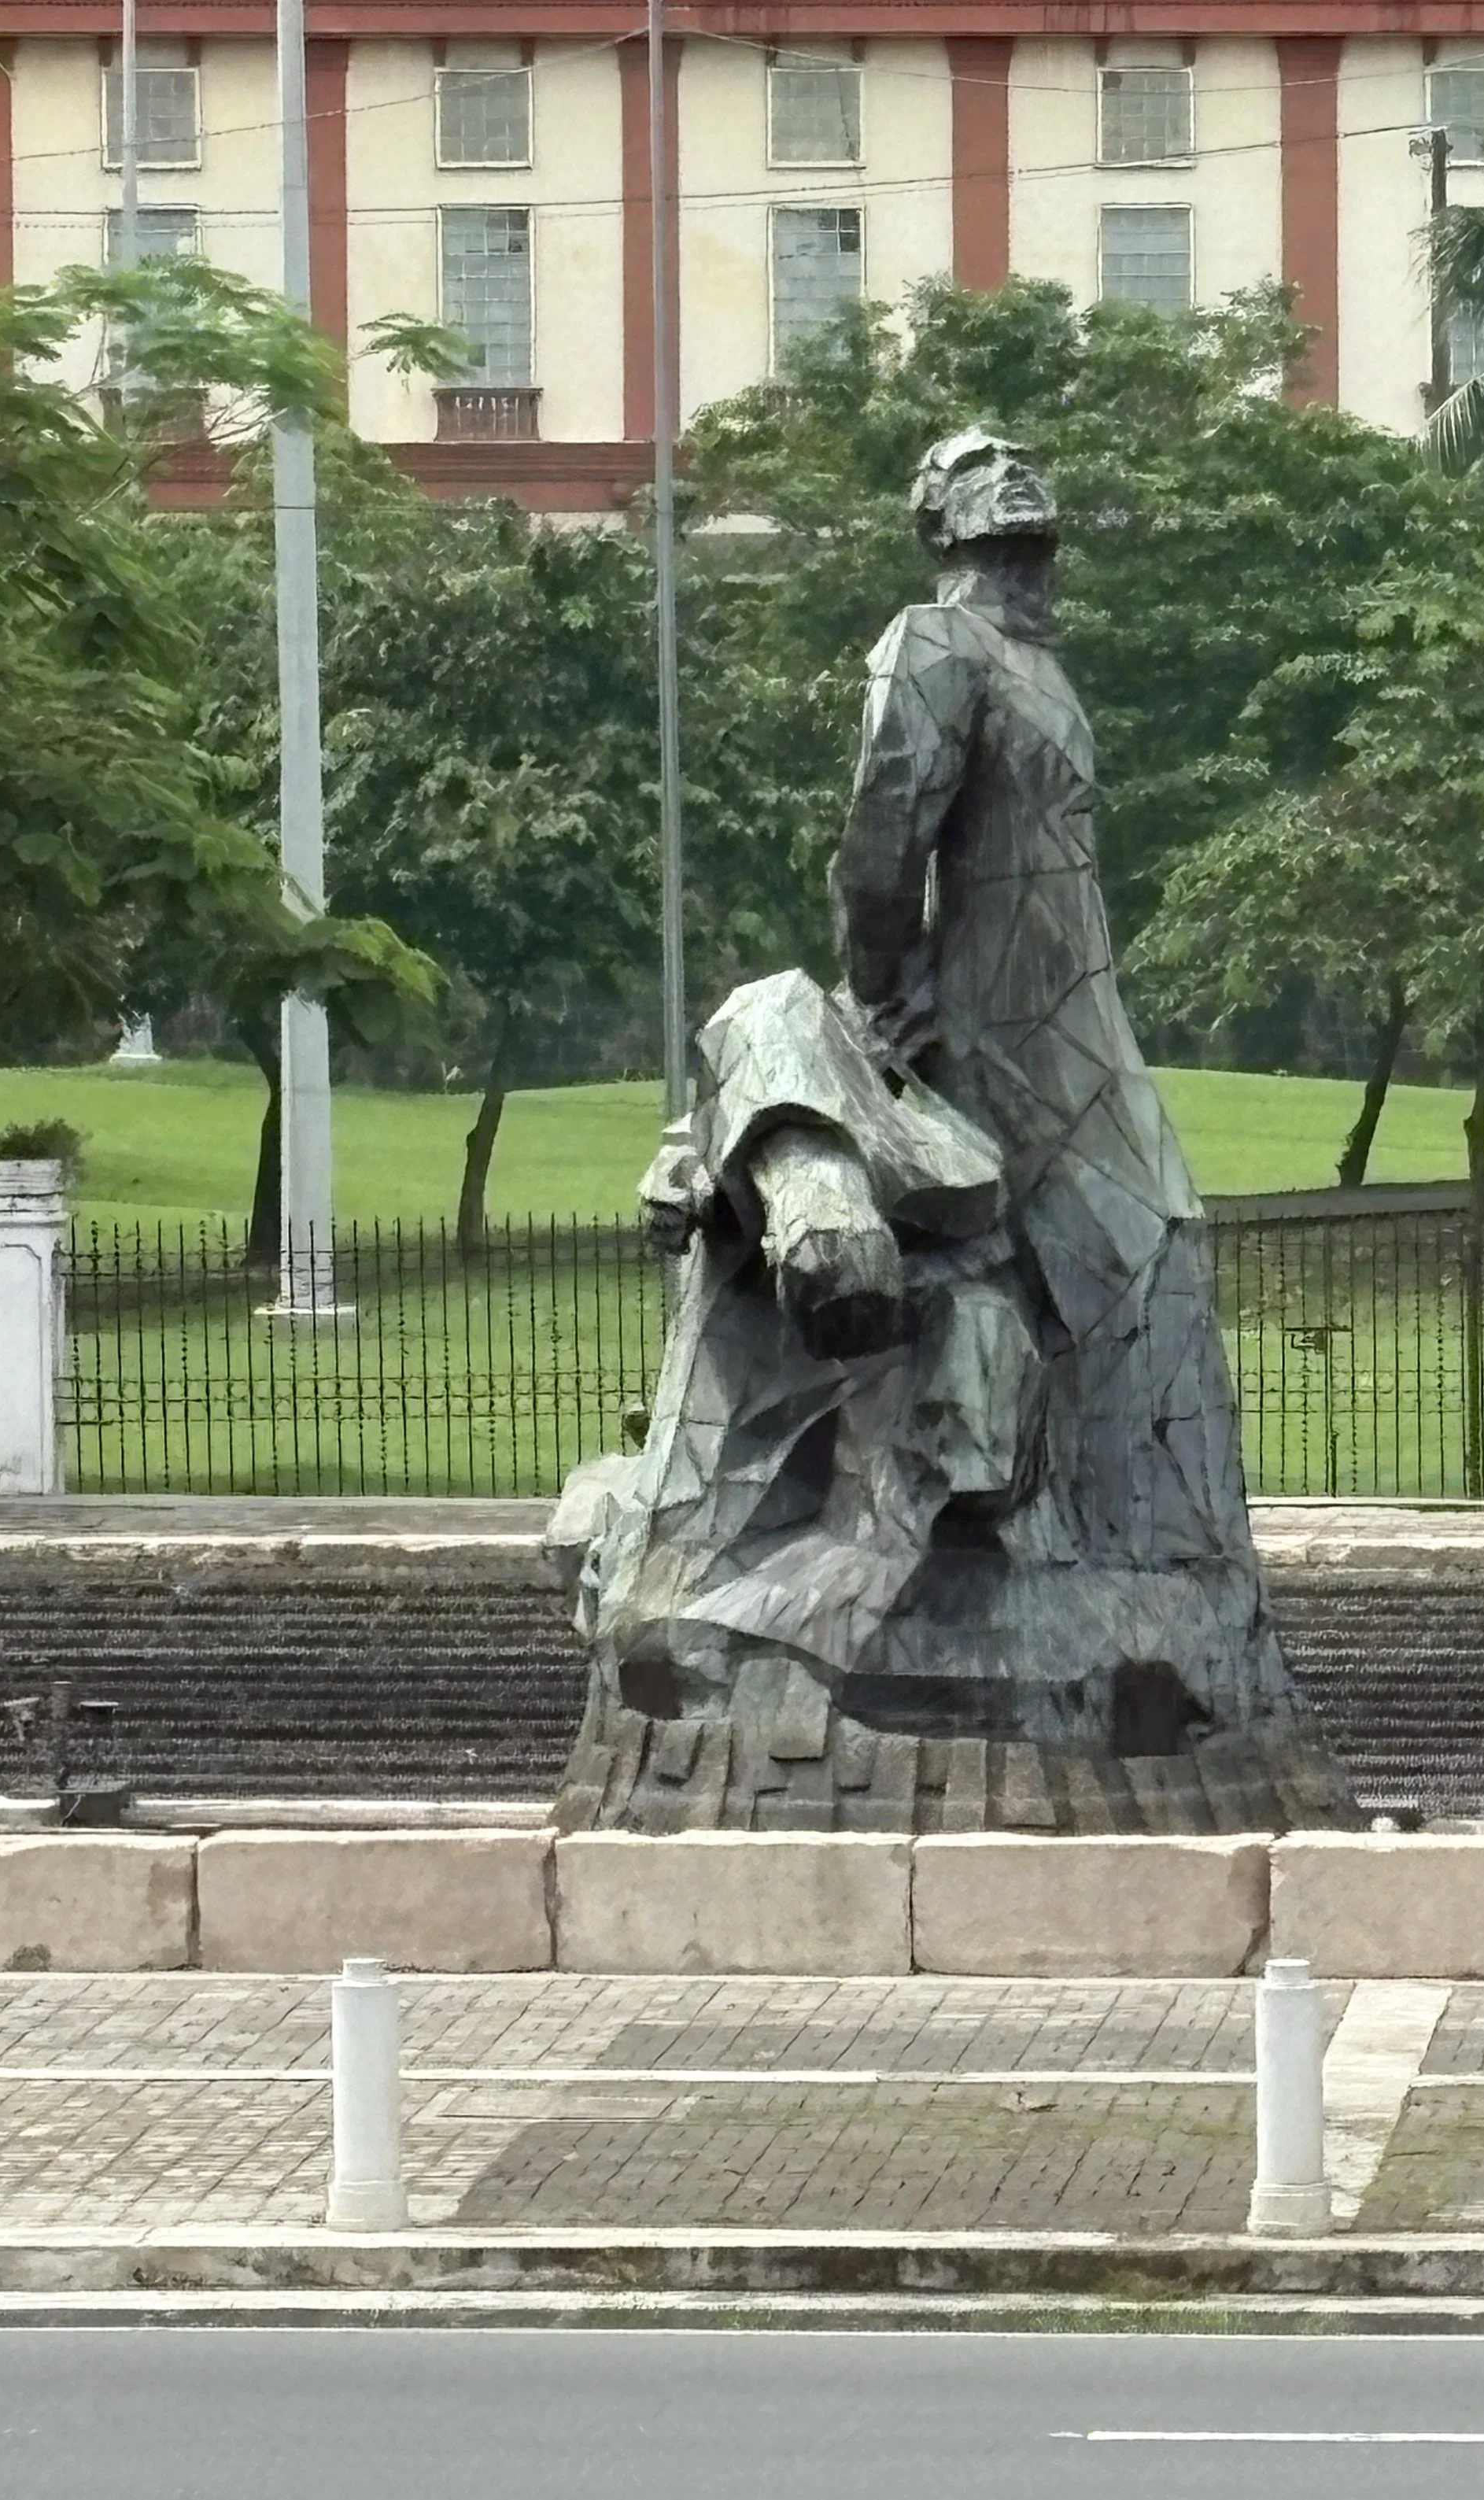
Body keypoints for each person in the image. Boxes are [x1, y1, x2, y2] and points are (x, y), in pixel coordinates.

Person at [554, 430, 1353, 1835]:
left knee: (1159, 1255)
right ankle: (829, 1250)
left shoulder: (1045, 666)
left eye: (1031, 464)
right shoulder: (931, 641)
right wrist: (887, 1002)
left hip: (1075, 1043)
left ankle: (1163, 1612)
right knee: (787, 1038)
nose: (1016, 477)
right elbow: (880, 839)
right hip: (981, 1051)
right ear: (940, 516)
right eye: (980, 467)